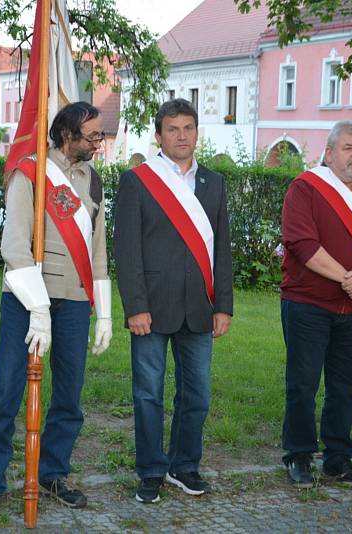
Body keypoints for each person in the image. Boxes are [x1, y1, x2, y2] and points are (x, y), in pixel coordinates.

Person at [0, 102, 112, 521]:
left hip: (74, 301)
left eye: (99, 136)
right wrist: (39, 308)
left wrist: (103, 313)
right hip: (25, 300)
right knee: (7, 392)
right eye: (92, 136)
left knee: (69, 394)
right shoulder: (28, 172)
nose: (98, 143)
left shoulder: (93, 180)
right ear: (66, 133)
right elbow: (14, 246)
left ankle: (52, 473)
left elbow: (97, 250)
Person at [114, 98, 233, 504]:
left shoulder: (214, 183)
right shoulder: (139, 181)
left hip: (200, 305)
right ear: (159, 135)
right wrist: (134, 306)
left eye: (188, 128)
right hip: (152, 306)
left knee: (196, 394)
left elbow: (223, 251)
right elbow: (126, 250)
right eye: (173, 129)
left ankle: (185, 466)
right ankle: (150, 470)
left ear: (197, 132)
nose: (182, 136)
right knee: (148, 393)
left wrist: (224, 305)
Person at [279, 121, 352, 488]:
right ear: (329, 153)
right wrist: (350, 277)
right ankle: (299, 455)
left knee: (346, 385)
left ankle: (338, 457)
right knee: (303, 383)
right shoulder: (305, 189)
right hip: (308, 303)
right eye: (348, 147)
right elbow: (301, 244)